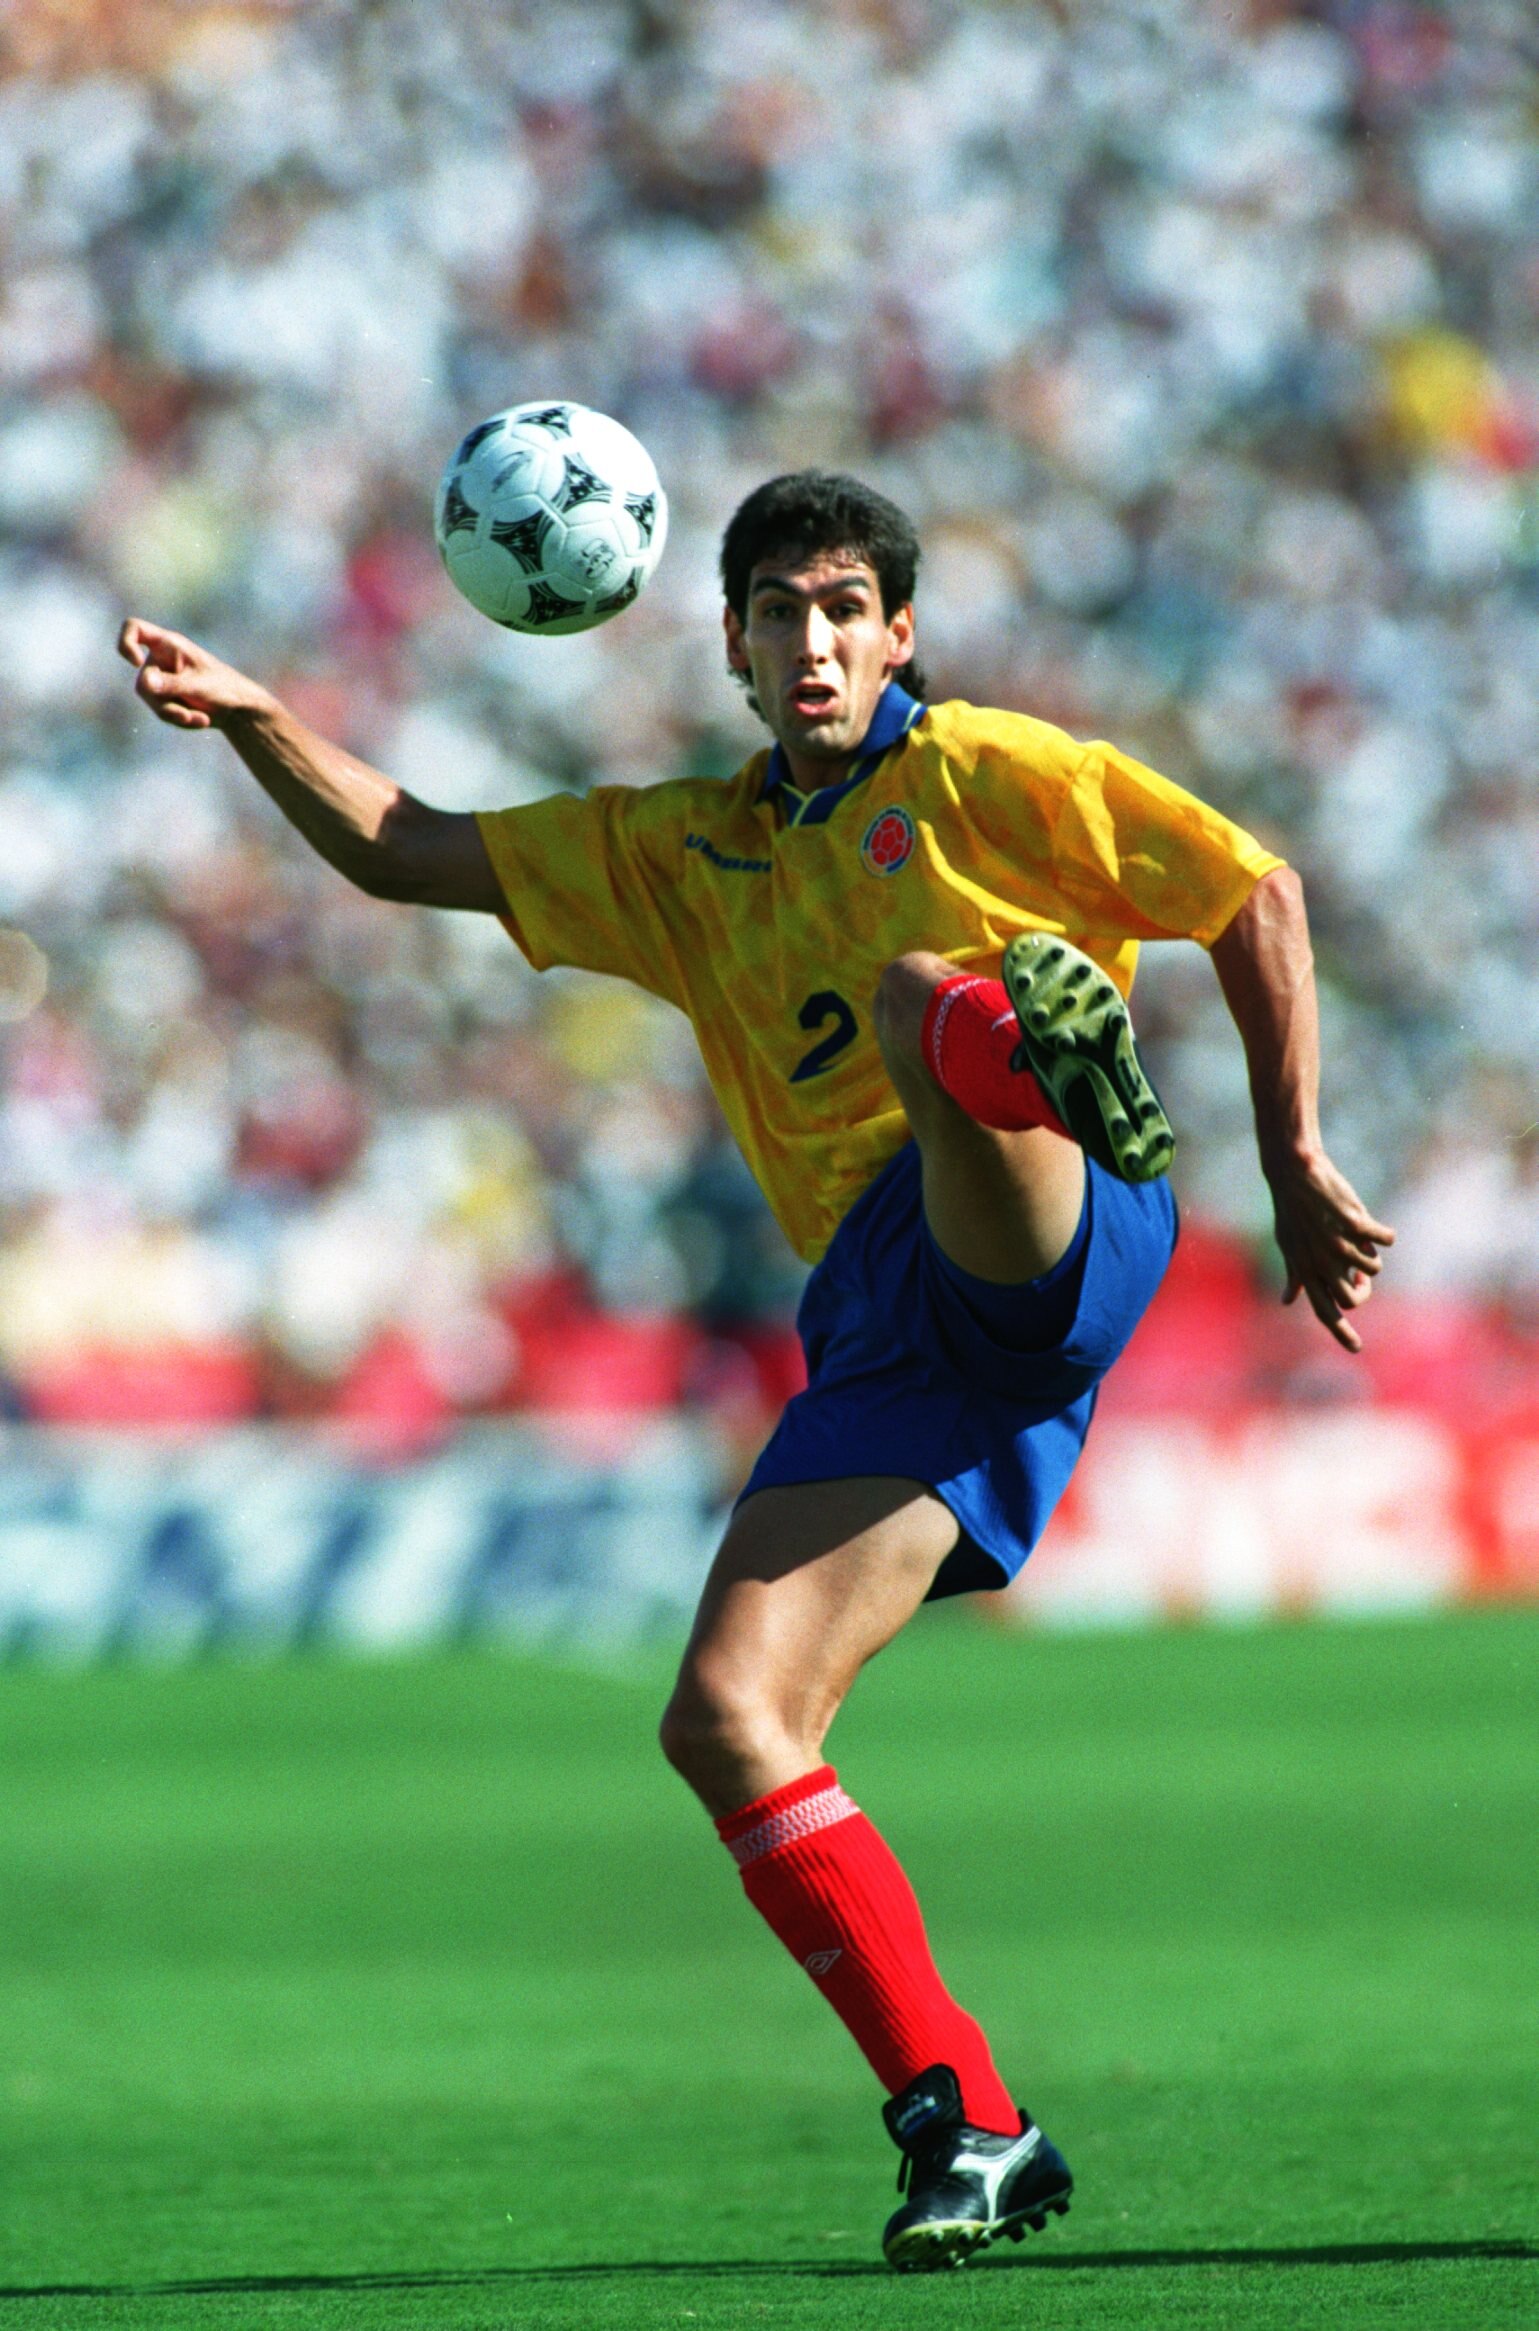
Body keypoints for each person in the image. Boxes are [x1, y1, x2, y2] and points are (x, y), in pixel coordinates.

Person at [118, 468, 1393, 2272]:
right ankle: (973, 2123)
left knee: (916, 1002)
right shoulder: (677, 848)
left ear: (900, 635)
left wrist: (1294, 1149)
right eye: (781, 612)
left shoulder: (979, 771)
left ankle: (1040, 1058)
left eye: (845, 608)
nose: (813, 641)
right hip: (894, 1334)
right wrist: (259, 720)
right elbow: (410, 846)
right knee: (725, 1721)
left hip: (1053, 1216)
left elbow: (1248, 890)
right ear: (728, 640)